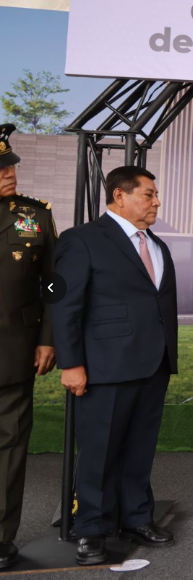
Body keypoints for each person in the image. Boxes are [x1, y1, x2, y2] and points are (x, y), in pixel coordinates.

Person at [52, 166, 179, 565]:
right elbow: (65, 306)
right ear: (120, 196)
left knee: (140, 449)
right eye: (148, 194)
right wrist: (71, 363)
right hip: (104, 367)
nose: (156, 201)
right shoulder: (82, 239)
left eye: (156, 195)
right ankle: (91, 529)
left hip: (153, 365)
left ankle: (136, 517)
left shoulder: (157, 245)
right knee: (99, 452)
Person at [0, 124, 57, 570]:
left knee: (9, 446)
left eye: (11, 165)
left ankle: (1, 538)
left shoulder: (34, 216)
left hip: (14, 350)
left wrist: (47, 338)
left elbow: (53, 284)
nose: (9, 173)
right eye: (0, 168)